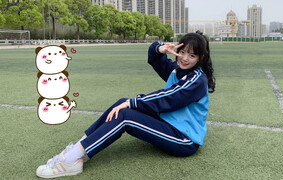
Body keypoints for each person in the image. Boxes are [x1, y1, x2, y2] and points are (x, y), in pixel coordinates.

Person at [36, 31, 216, 178]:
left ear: (201, 58)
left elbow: (167, 98)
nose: (184, 58)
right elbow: (154, 59)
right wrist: (160, 49)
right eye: (182, 52)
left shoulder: (197, 80)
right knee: (122, 103)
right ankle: (76, 151)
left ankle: (70, 161)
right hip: (170, 125)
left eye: (191, 55)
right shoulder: (177, 70)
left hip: (184, 139)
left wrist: (134, 102)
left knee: (125, 116)